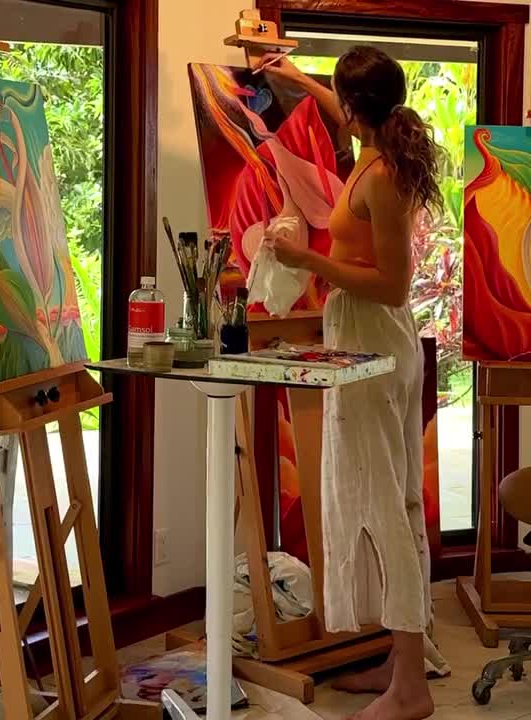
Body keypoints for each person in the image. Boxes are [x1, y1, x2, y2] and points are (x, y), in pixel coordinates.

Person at [257, 46, 443, 720]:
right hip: (366, 339)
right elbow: (338, 108)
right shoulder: (371, 140)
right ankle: (401, 662)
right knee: (384, 497)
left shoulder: (383, 175)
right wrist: (292, 76)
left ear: (357, 106)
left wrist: (307, 258)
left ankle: (411, 688)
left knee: (384, 506)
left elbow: (392, 285)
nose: (333, 106)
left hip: (375, 341)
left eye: (337, 95)